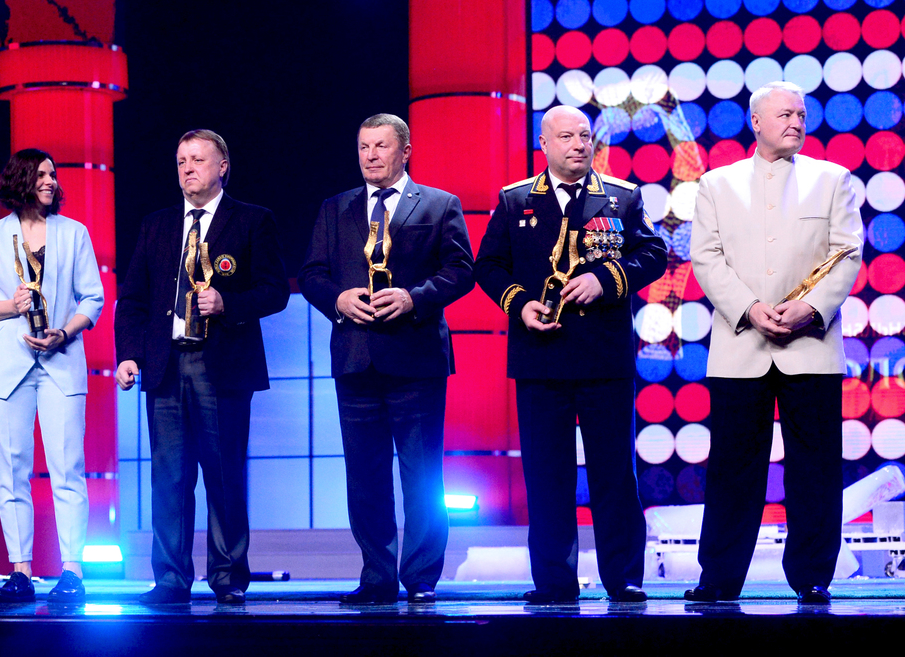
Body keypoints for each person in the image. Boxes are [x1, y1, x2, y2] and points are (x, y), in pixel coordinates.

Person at [474, 105, 667, 604]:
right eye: (567, 136)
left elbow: (654, 254)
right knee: (546, 475)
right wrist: (520, 304)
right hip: (540, 360)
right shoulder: (515, 200)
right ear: (544, 144)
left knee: (614, 475)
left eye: (584, 135)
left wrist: (605, 279)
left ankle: (623, 578)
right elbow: (488, 266)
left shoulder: (623, 197)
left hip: (604, 361)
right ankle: (555, 582)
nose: (579, 144)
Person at [688, 81, 862, 606]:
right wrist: (748, 308)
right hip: (740, 347)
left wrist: (811, 307)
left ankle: (812, 575)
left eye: (801, 114)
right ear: (756, 122)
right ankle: (719, 577)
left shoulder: (833, 179)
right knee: (732, 468)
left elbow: (846, 254)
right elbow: (706, 258)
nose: (796, 122)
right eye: (784, 114)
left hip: (811, 345)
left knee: (815, 467)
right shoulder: (716, 183)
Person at [299, 113, 475, 604]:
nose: (370, 155)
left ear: (405, 151)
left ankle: (420, 577)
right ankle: (377, 577)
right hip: (355, 358)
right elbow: (311, 274)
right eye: (363, 147)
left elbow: (462, 270)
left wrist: (414, 298)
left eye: (380, 146)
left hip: (416, 358)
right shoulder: (335, 208)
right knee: (365, 475)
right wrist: (338, 299)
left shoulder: (439, 204)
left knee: (422, 475)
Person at [114, 129, 288, 605]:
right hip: (165, 366)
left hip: (222, 366)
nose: (187, 168)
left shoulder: (252, 220)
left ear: (222, 167)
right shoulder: (156, 225)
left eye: (197, 159)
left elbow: (274, 291)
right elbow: (133, 299)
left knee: (224, 474)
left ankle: (228, 578)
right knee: (169, 478)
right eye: (181, 161)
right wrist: (129, 354)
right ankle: (171, 580)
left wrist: (227, 303)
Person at [0, 148, 105, 604]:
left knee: (68, 468)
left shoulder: (74, 233)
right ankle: (20, 571)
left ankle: (72, 570)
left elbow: (93, 298)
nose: (50, 181)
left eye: (53, 175)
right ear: (21, 179)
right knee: (12, 471)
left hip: (61, 362)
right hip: (9, 367)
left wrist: (65, 332)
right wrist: (11, 306)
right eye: (42, 174)